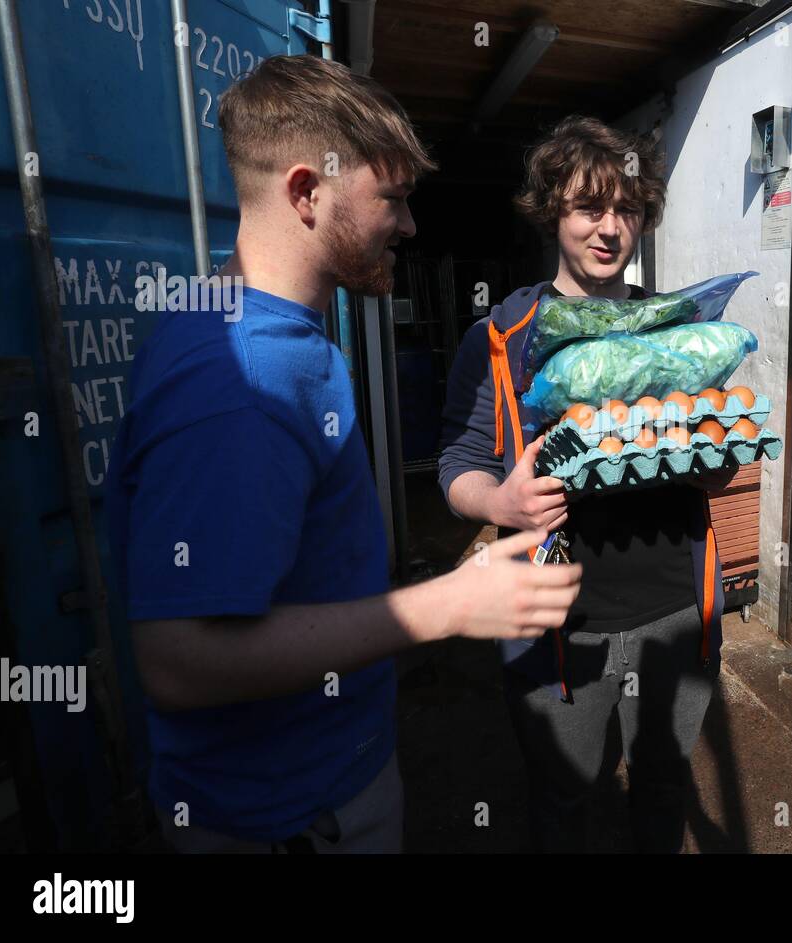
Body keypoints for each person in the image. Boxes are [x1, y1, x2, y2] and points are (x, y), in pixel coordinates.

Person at [105, 55, 580, 854]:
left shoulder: (257, 330)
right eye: (390, 198)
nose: (410, 224)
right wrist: (450, 604)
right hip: (289, 819)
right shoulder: (243, 382)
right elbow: (178, 659)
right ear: (305, 192)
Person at [438, 115, 731, 853]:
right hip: (558, 625)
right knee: (564, 799)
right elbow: (456, 464)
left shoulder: (676, 331)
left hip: (676, 611)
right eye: (587, 208)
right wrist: (498, 501)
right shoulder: (502, 336)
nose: (609, 228)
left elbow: (718, 459)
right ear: (552, 212)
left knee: (662, 788)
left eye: (626, 208)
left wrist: (718, 453)